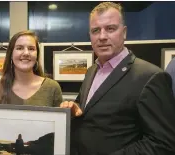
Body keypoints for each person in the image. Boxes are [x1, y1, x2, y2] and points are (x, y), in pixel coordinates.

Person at [60, 2, 175, 155]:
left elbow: (162, 143)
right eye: (95, 30)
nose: (102, 36)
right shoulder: (92, 71)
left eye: (110, 29)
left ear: (124, 32)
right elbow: (91, 109)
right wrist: (75, 107)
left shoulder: (151, 77)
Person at [0, 30, 62, 107]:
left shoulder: (52, 88)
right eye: (19, 48)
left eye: (31, 49)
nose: (26, 53)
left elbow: (60, 118)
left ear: (37, 55)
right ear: (11, 54)